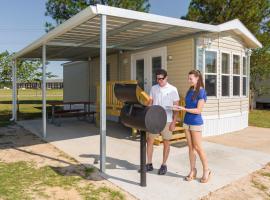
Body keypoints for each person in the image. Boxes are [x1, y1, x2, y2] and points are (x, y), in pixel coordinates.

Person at [174, 69, 211, 183]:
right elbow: (187, 105)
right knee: (190, 148)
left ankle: (206, 170)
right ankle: (192, 170)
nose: (188, 80)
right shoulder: (190, 91)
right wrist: (178, 108)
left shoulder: (202, 92)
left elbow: (198, 110)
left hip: (195, 122)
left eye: (191, 78)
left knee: (198, 148)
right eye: (188, 78)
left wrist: (184, 109)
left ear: (197, 78)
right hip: (187, 122)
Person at [146, 69, 179, 175]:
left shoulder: (173, 89)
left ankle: (164, 165)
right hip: (154, 120)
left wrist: (174, 122)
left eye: (161, 78)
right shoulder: (153, 88)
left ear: (166, 77)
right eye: (157, 78)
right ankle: (149, 163)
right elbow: (150, 103)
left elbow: (176, 107)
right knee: (150, 141)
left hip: (168, 120)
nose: (159, 80)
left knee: (166, 142)